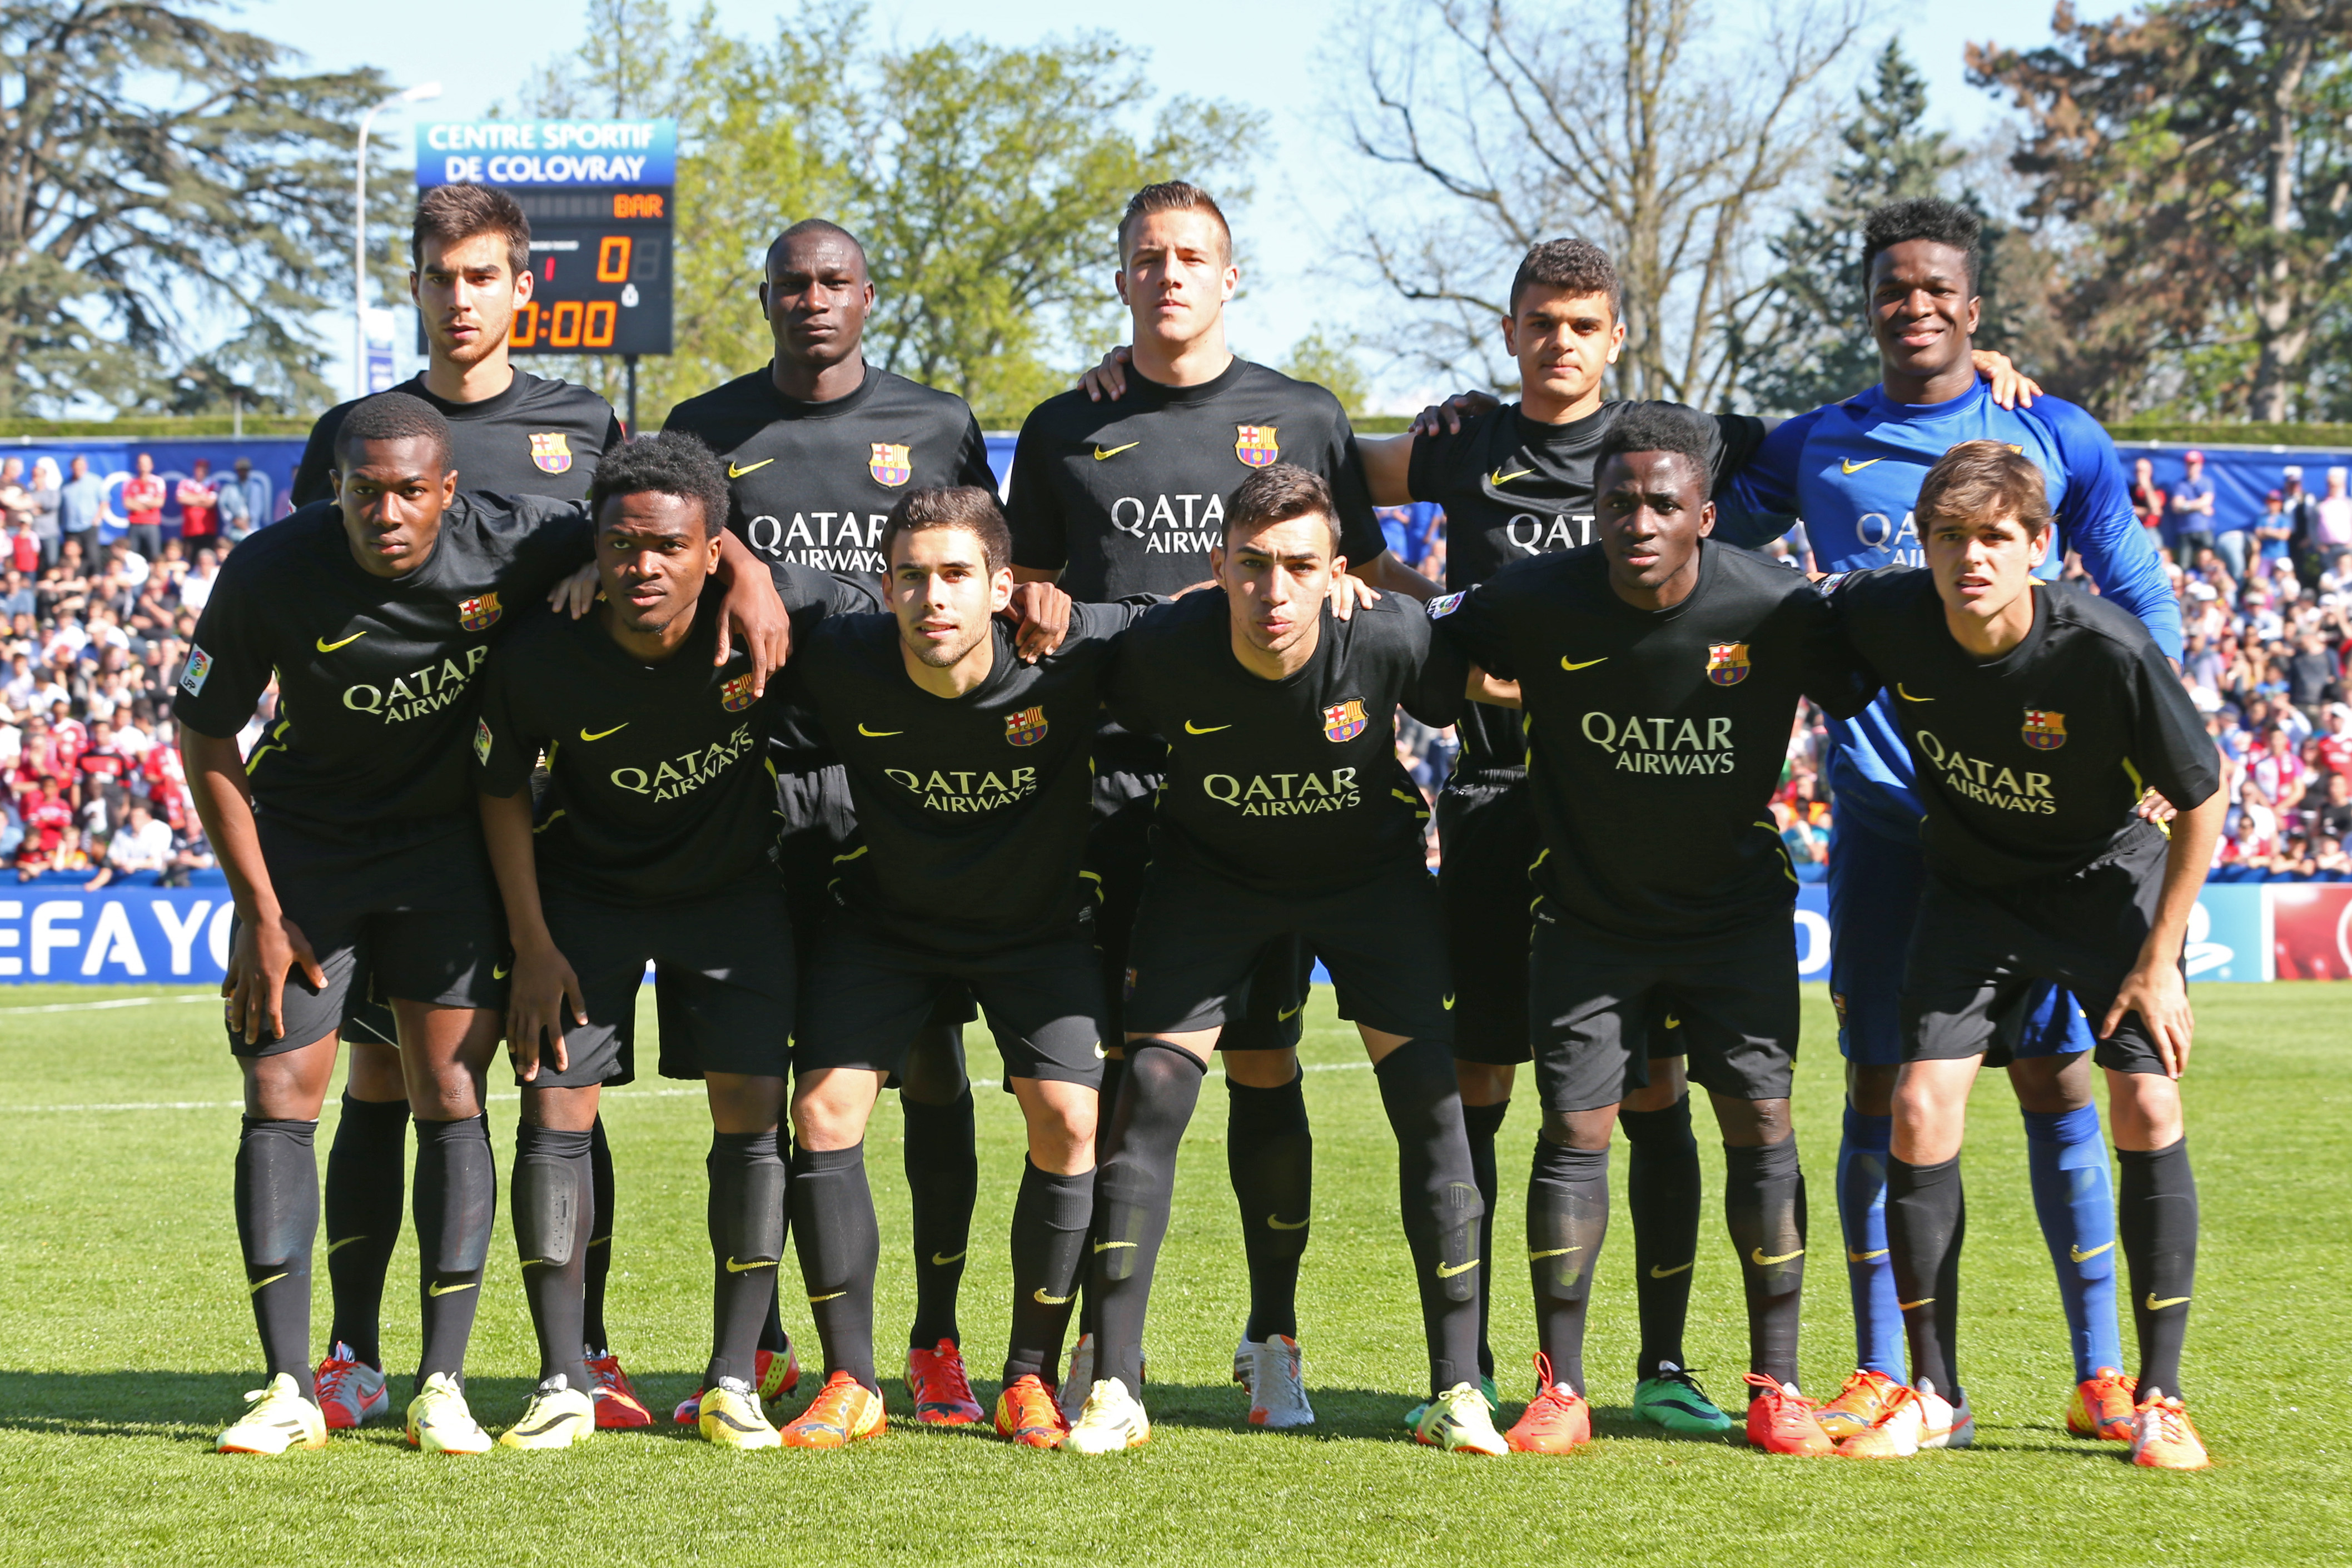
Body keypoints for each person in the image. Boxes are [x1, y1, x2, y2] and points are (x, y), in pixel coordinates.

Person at [183, 392, 783, 1458]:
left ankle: (443, 1383)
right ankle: (288, 1383)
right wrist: (259, 909)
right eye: (364, 491)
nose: (388, 511)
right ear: (335, 490)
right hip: (310, 850)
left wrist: (752, 575)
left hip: (450, 849)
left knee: (451, 1089)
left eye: (411, 490)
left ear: (449, 490)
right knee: (281, 1087)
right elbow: (205, 735)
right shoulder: (268, 572)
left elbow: (662, 526)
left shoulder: (522, 539)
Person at [1721, 197, 2182, 1446]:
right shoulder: (1814, 444)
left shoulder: (2046, 431)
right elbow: (1701, 519)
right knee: (1883, 1081)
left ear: (1974, 310)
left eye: (1937, 290)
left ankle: (2101, 1373)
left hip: (2037, 833)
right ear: (1867, 304)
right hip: (1885, 824)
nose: (1913, 307)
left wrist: (2153, 737)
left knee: (2054, 1074)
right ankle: (1888, 1369)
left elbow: (2135, 585)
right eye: (1893, 289)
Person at [1008, 181, 1429, 1421]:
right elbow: (1029, 602)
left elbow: (1356, 571)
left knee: (1261, 1062)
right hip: (1115, 790)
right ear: (1121, 276)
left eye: (1194, 256)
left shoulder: (1300, 412)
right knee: (1114, 1087)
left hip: (1265, 794)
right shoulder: (1061, 425)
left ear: (1231, 276)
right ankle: (1101, 1352)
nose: (1171, 274)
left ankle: (1271, 1335)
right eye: (1149, 257)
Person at [1432, 404, 1872, 1457]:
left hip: (1736, 923)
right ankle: (1563, 1389)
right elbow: (1420, 649)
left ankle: (1779, 1384)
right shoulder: (1534, 598)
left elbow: (1874, 674)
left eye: (1662, 503)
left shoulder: (1773, 604)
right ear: (1593, 511)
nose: (1638, 519)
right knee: (1575, 1132)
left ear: (1704, 516)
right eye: (1618, 501)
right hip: (1589, 921)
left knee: (1761, 1129)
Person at [290, 183, 650, 1436]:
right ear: (418, 287)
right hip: (404, 819)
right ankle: (350, 1352)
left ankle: (584, 1352)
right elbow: (306, 603)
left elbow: (651, 542)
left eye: (484, 276)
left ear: (521, 289)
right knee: (386, 1083)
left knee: (562, 1084)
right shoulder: (359, 431)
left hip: (551, 810)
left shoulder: (581, 422)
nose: (461, 300)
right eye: (440, 278)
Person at [1071, 462, 1504, 1456]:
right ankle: (1114, 1385)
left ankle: (1457, 1388)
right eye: (1254, 566)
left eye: (1299, 567)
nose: (1275, 593)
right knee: (1152, 1105)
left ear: (1335, 572)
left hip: (1370, 884)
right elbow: (1065, 657)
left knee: (1432, 1111)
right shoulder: (1164, 649)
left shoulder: (1391, 634)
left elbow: (1483, 667)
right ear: (1219, 567)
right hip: (1209, 883)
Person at [1822, 440, 2223, 1470]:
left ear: (2039, 547)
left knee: (2147, 1103)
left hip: (2103, 887)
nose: (1971, 559)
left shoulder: (2106, 647)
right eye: (1949, 537)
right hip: (1970, 887)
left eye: (1996, 538)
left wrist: (2158, 961)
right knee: (1913, 1108)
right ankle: (1934, 1392)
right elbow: (1773, 615)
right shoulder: (1885, 613)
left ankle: (2160, 1398)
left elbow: (2203, 798)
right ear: (1923, 542)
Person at [664, 218, 1003, 1424]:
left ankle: (933, 1342)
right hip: (749, 793)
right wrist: (740, 564)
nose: (813, 300)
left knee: (925, 1066)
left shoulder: (937, 424)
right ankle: (756, 1347)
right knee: (753, 1082)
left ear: (869, 296)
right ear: (764, 300)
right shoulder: (705, 428)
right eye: (791, 285)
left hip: (893, 794)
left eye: (834, 283)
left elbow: (982, 577)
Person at [469, 434, 855, 1450]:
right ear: (592, 548)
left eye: (671, 548)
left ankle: (733, 1378)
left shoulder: (773, 620)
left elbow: (896, 610)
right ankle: (562, 1379)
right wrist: (533, 942)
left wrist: (761, 581)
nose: (644, 566)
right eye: (622, 545)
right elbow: (500, 788)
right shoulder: (543, 650)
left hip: (731, 900)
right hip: (584, 902)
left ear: (713, 551)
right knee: (555, 1109)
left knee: (750, 1120)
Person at [777, 485, 1121, 1451]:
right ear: (883, 588)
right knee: (823, 1111)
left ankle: (1029, 1377)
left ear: (1004, 588)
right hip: (887, 925)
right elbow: (741, 576)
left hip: (1034, 930)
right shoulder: (844, 657)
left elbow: (1179, 621)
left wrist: (1348, 592)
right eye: (914, 577)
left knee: (1068, 1115)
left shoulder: (1071, 658)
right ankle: (853, 1379)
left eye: (958, 576)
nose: (935, 597)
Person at [2168, 450, 2216, 571]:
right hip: (2185, 530)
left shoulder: (2206, 482)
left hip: (2203, 528)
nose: (2191, 467)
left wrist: (2186, 505)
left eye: (2194, 464)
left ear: (2200, 465)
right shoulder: (2180, 484)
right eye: (2189, 464)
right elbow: (2176, 506)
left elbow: (2207, 501)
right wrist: (2199, 506)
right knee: (2184, 565)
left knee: (2207, 562)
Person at [58, 455, 110, 565]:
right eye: (76, 467)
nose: (78, 470)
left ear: (86, 467)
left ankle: (94, 577)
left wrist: (97, 519)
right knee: (71, 556)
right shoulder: (65, 484)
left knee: (92, 554)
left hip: (89, 525)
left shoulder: (95, 481)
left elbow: (104, 502)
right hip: (71, 527)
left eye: (81, 467)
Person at [121, 453, 165, 562]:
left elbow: (159, 502)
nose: (144, 466)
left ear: (151, 465)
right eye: (141, 463)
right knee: (132, 555)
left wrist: (138, 504)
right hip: (135, 523)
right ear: (137, 466)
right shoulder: (130, 482)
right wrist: (148, 504)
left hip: (152, 524)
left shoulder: (158, 482)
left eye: (146, 463)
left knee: (155, 555)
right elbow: (127, 504)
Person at [26, 456, 61, 572]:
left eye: (39, 475)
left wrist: (36, 506)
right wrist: (40, 508)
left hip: (50, 533)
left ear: (45, 476)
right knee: (35, 564)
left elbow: (52, 505)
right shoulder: (29, 493)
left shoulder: (52, 492)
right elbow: (27, 507)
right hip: (34, 534)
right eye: (34, 475)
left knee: (52, 562)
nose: (36, 479)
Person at [178, 459, 220, 546]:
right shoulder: (186, 483)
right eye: (199, 469)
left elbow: (211, 503)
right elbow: (181, 499)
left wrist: (191, 498)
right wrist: (202, 498)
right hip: (190, 530)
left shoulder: (213, 484)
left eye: (204, 469)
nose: (201, 472)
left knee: (206, 555)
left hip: (207, 529)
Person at [231, 456, 272, 538]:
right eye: (240, 470)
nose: (242, 473)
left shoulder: (256, 488)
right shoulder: (230, 488)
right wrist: (235, 520)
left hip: (253, 528)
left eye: (245, 470)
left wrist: (249, 519)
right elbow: (225, 508)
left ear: (248, 471)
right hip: (234, 530)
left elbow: (258, 508)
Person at [2129, 456, 2166, 547]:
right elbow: (2129, 510)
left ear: (2150, 472)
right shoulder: (2129, 491)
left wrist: (2146, 487)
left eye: (2143, 471)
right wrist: (2148, 511)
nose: (2139, 474)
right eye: (2138, 470)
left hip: (2151, 530)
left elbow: (2156, 510)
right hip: (2133, 530)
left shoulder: (2157, 490)